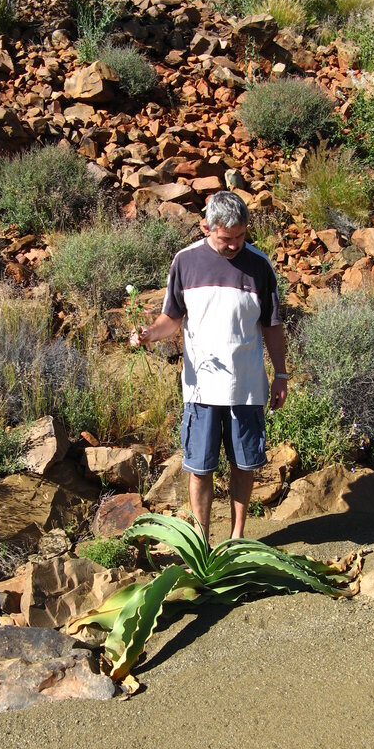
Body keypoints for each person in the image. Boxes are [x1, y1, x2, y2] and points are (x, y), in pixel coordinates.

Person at [135, 191, 288, 541]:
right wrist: (150, 334)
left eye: (240, 236)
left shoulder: (259, 265)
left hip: (246, 387)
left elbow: (272, 325)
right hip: (201, 388)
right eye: (226, 238)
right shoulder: (185, 261)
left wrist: (280, 374)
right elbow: (172, 319)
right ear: (206, 228)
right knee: (200, 468)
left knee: (243, 465)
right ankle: (201, 541)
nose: (234, 245)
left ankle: (237, 538)